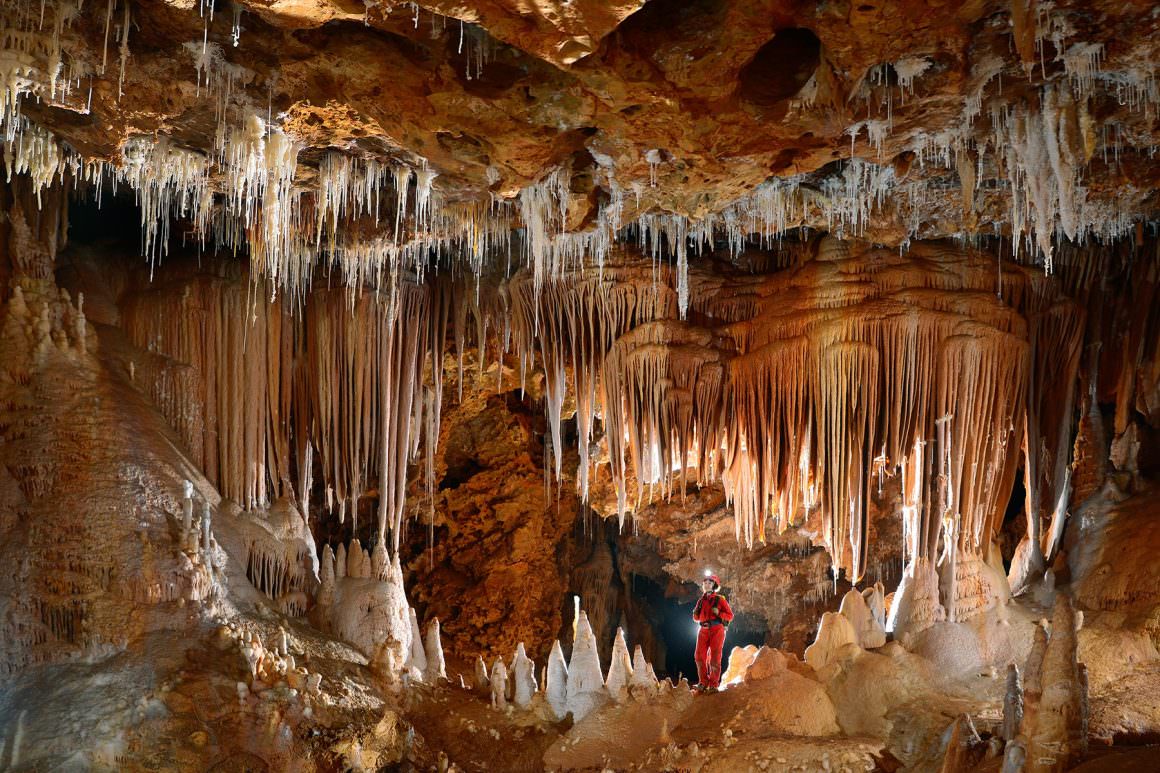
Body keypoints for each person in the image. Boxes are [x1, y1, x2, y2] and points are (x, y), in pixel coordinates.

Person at [692, 573, 733, 692]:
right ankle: (703, 682)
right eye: (705, 583)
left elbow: (730, 616)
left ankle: (713, 684)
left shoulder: (719, 599)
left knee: (715, 657)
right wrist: (695, 613)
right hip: (703, 630)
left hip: (717, 630)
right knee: (699, 656)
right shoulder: (701, 601)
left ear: (714, 585)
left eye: (709, 583)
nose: (706, 585)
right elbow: (696, 618)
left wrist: (719, 613)